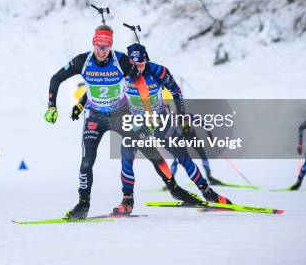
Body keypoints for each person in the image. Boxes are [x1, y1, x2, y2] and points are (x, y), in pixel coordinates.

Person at [45, 25, 200, 219]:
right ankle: (83, 205)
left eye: (106, 46)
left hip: (121, 114)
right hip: (95, 116)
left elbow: (141, 84)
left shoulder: (122, 61)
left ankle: (174, 189)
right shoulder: (82, 61)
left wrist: (150, 112)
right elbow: (56, 78)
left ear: (111, 45)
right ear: (93, 43)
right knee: (87, 161)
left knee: (150, 151)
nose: (102, 51)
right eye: (98, 46)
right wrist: (52, 106)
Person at [77, 43, 231, 216]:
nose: (138, 68)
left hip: (159, 120)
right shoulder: (120, 71)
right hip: (133, 122)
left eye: (141, 63)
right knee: (126, 158)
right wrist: (82, 104)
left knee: (182, 156)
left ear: (146, 60)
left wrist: (180, 115)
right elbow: (94, 90)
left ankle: (207, 191)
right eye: (135, 64)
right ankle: (127, 200)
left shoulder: (158, 71)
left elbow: (176, 91)